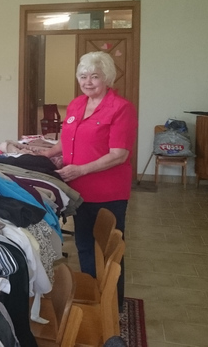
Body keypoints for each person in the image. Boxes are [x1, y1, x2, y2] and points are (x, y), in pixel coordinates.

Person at [41, 51, 137, 309]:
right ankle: (93, 299)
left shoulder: (121, 108)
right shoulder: (76, 105)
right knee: (84, 245)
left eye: (94, 76)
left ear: (107, 78)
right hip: (78, 191)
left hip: (108, 192)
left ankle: (112, 306)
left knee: (107, 251)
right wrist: (47, 155)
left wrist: (81, 169)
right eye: (83, 76)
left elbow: (119, 154)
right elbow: (67, 140)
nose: (88, 81)